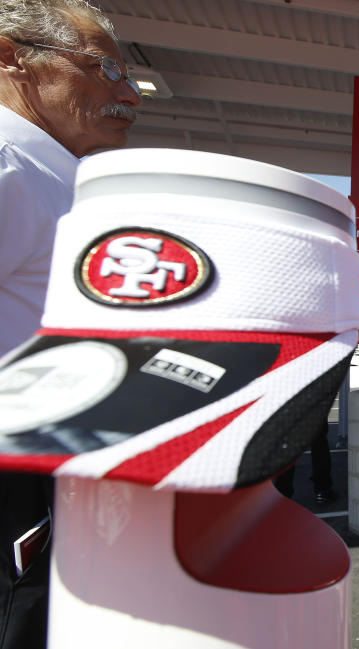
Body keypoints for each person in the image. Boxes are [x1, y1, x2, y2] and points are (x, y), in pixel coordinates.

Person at [0, 2, 140, 646]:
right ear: (11, 57)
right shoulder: (9, 165)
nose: (129, 90)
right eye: (104, 67)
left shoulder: (57, 180)